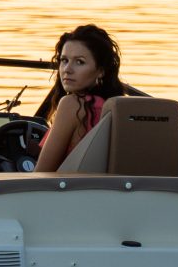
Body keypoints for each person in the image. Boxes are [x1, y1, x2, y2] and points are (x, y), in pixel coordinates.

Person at [33, 24, 122, 172]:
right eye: (64, 60)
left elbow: (41, 173)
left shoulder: (72, 105)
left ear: (100, 71)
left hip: (67, 186)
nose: (67, 69)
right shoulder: (116, 109)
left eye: (79, 62)